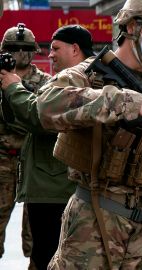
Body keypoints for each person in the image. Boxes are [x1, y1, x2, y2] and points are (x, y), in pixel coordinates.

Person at [34, 0, 142, 268]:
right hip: (93, 223)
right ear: (131, 26)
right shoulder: (87, 74)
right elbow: (47, 105)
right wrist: (128, 102)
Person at [0, 24, 93, 270]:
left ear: (74, 49)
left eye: (54, 48)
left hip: (54, 182)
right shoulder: (64, 79)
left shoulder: (69, 81)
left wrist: (13, 88)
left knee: (46, 251)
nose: (49, 54)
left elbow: (38, 117)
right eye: (13, 48)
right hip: (36, 175)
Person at [0, 22, 49, 266]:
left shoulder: (47, 83)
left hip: (35, 164)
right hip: (3, 162)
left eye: (24, 48)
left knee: (39, 236)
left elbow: (42, 119)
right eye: (13, 48)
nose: (19, 53)